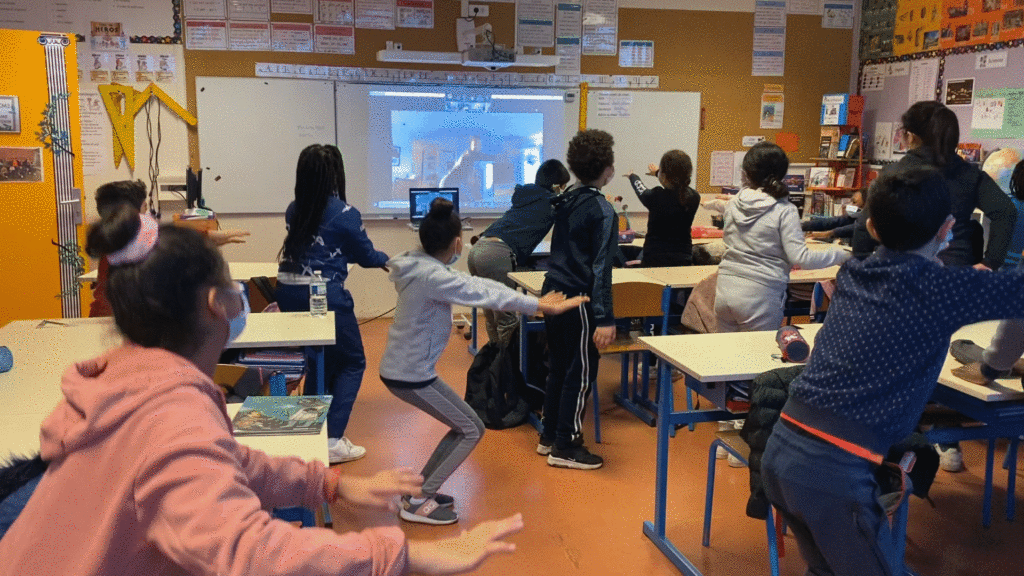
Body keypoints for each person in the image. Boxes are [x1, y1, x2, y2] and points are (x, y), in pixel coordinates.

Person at [0, 205, 524, 576]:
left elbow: (218, 458)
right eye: (233, 288)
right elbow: (249, 554)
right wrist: (401, 557)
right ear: (216, 305)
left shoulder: (126, 374)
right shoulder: (170, 412)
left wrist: (328, 486)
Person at [761, 165, 1024, 576]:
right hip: (833, 472)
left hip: (782, 450)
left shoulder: (852, 273)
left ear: (871, 227)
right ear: (948, 228)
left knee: (827, 570)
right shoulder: (942, 290)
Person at [379, 198, 587, 525]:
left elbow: (478, 285)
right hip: (409, 375)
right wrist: (538, 306)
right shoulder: (432, 276)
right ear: (458, 242)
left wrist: (532, 303)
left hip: (410, 371)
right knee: (470, 428)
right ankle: (419, 500)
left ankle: (420, 491)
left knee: (467, 425)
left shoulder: (419, 265)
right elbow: (480, 292)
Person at [276, 144, 387, 464]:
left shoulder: (294, 209)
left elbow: (324, 247)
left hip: (288, 292)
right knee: (352, 362)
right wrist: (386, 260)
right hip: (324, 296)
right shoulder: (345, 212)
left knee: (318, 359)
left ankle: (312, 433)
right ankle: (332, 440)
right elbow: (365, 256)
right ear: (336, 174)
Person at [537, 129, 618, 471]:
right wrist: (605, 317)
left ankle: (549, 436)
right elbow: (600, 269)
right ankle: (566, 446)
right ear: (608, 170)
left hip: (553, 292)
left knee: (558, 367)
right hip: (579, 299)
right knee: (581, 372)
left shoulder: (566, 197)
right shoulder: (601, 210)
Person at [851, 101, 1017, 266]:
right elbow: (1006, 211)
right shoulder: (970, 173)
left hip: (903, 270)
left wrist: (862, 264)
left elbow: (864, 226)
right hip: (955, 270)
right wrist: (990, 263)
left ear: (911, 136)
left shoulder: (892, 174)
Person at [715, 142, 851, 333]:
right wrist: (840, 255)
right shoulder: (784, 210)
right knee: (758, 359)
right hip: (760, 295)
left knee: (726, 357)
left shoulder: (733, 203)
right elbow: (801, 258)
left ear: (746, 173)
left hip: (724, 290)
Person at [88, 180, 248, 318]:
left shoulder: (111, 240)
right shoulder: (139, 243)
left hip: (102, 321)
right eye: (145, 205)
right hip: (129, 325)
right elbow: (173, 240)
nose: (146, 211)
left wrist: (209, 237)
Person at [467, 159, 570, 345]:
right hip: (496, 255)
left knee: (491, 313)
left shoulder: (527, 195)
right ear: (556, 186)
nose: (563, 190)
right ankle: (509, 368)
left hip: (478, 249)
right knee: (506, 320)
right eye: (563, 186)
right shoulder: (551, 202)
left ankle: (494, 361)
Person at [624, 149, 702, 267]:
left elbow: (641, 189)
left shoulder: (655, 196)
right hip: (683, 260)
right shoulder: (694, 197)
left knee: (620, 256)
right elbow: (676, 185)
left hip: (654, 260)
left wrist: (632, 176)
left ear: (664, 176)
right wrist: (657, 173)